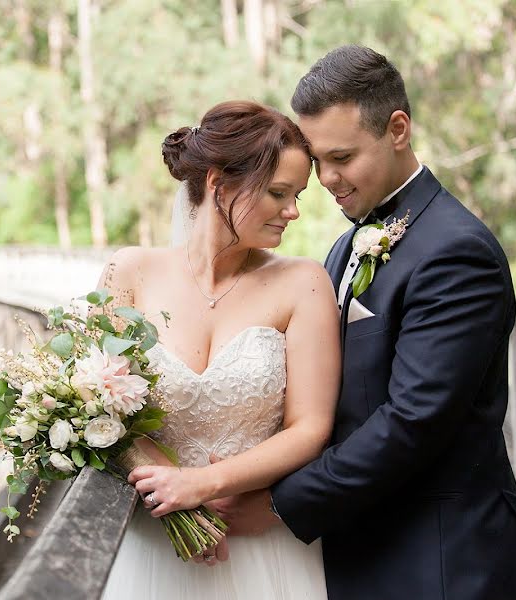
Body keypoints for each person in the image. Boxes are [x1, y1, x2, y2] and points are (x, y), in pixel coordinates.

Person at [215, 45, 516, 599]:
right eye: (318, 160)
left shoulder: (457, 252)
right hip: (363, 553)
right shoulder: (345, 246)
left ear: (397, 128)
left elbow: (412, 422)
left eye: (342, 157)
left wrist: (274, 504)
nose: (328, 178)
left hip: (444, 563)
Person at [98, 100, 340, 599]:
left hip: (258, 547)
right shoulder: (130, 271)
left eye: (297, 195)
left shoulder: (304, 283)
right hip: (153, 538)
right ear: (218, 182)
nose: (293, 211)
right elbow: (95, 408)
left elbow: (311, 428)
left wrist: (204, 485)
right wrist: (168, 485)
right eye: (278, 193)